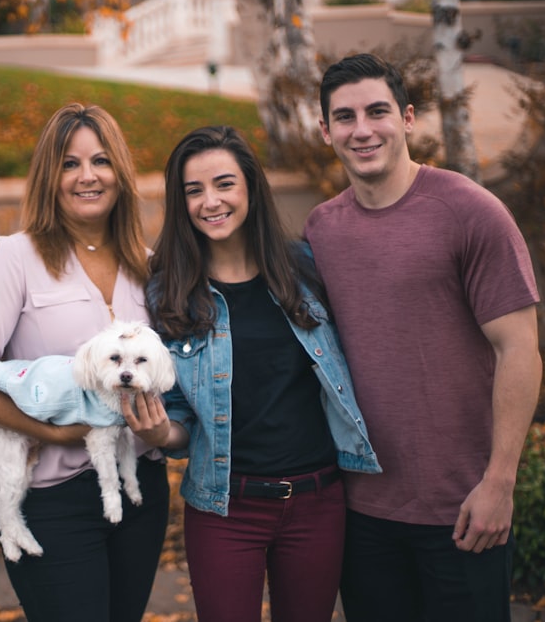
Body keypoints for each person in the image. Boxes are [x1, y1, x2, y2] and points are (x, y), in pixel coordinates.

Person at [304, 53, 542, 622]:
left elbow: (521, 350)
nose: (362, 130)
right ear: (325, 131)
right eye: (345, 117)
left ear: (408, 118)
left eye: (377, 111)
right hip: (363, 516)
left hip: (463, 511)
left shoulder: (470, 212)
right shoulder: (322, 229)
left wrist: (499, 483)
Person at [0, 103, 170, 622]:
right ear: (50, 176)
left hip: (140, 494)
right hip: (53, 497)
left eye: (101, 161)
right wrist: (52, 432)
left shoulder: (147, 264)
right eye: (69, 163)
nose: (88, 176)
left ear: (120, 174)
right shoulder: (17, 258)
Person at [144, 125, 381, 622]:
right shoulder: (169, 293)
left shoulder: (305, 269)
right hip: (225, 506)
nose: (211, 201)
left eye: (224, 184)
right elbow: (180, 414)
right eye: (194, 190)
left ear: (250, 186)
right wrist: (162, 432)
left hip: (317, 503)